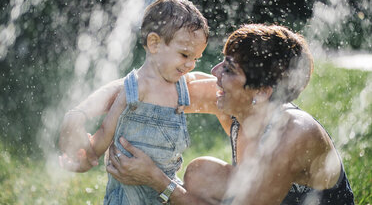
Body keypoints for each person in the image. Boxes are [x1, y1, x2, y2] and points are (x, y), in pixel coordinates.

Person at [103, 24, 355, 204]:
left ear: (262, 91)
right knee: (201, 174)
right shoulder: (238, 101)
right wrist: (81, 114)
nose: (214, 71)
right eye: (223, 62)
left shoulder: (292, 134)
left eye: (230, 70)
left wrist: (157, 180)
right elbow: (149, 86)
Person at [59, 0, 231, 204]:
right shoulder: (135, 88)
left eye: (196, 58)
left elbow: (214, 86)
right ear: (154, 43)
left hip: (164, 191)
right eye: (185, 55)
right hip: (127, 196)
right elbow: (106, 129)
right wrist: (88, 154)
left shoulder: (181, 88)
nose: (191, 65)